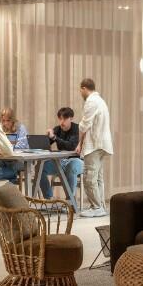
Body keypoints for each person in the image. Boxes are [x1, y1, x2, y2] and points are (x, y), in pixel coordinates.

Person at [76, 78, 113, 217]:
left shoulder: (91, 101)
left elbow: (85, 125)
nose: (80, 93)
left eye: (80, 90)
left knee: (89, 177)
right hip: (102, 144)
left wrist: (80, 140)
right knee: (97, 178)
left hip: (94, 145)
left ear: (84, 88)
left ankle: (96, 207)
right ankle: (101, 205)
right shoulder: (101, 101)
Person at [38, 107, 84, 202]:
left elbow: (72, 146)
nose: (62, 122)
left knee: (71, 166)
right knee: (40, 167)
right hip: (61, 161)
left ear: (71, 118)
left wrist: (55, 138)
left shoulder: (77, 129)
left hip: (77, 160)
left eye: (64, 119)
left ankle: (70, 202)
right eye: (60, 119)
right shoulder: (57, 129)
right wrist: (47, 138)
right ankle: (49, 198)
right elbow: (45, 145)